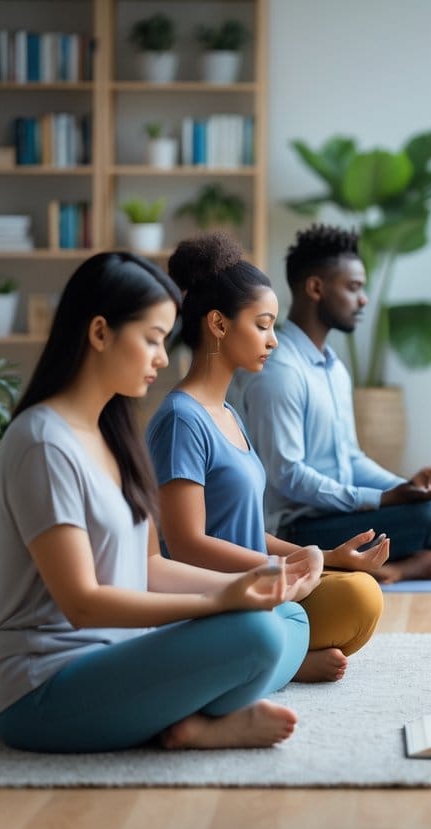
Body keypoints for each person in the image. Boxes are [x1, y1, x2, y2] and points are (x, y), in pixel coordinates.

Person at [0, 251, 309, 753]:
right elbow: (82, 603)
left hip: (118, 657)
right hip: (43, 690)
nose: (162, 357)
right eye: (152, 339)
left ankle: (184, 720)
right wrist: (218, 601)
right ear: (99, 333)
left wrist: (250, 584)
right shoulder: (43, 442)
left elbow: (149, 566)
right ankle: (193, 722)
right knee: (258, 638)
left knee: (279, 619)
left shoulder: (111, 434)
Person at [147, 233, 386, 684]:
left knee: (360, 594)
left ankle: (271, 655)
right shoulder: (181, 419)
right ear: (218, 325)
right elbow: (186, 544)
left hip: (259, 585)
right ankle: (280, 661)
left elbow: (243, 529)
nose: (273, 341)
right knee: (328, 609)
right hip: (210, 598)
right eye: (262, 325)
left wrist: (328, 556)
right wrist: (281, 570)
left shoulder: (230, 413)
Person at [233, 224, 431, 584]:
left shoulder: (334, 368)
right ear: (316, 287)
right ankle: (397, 565)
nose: (363, 300)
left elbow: (350, 457)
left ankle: (401, 565)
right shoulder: (279, 370)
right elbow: (287, 475)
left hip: (342, 513)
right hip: (298, 528)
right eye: (353, 287)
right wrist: (382, 500)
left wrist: (409, 489)